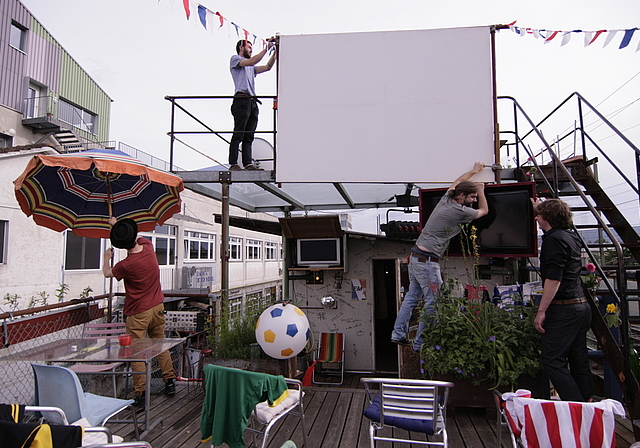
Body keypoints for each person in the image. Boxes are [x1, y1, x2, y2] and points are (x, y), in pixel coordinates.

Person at [392, 162, 489, 351]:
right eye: (472, 197)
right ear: (462, 196)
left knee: (412, 296)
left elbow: (458, 181)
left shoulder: (446, 199)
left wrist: (474, 171)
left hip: (415, 258)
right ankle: (420, 344)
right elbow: (485, 211)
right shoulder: (459, 211)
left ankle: (398, 334)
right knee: (433, 301)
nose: (474, 200)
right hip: (427, 262)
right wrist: (482, 190)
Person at [102, 218, 175, 406]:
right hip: (158, 307)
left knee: (136, 352)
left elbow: (108, 273)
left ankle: (141, 392)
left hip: (138, 312)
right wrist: (117, 225)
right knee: (159, 344)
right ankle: (169, 381)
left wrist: (105, 258)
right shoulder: (149, 247)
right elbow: (138, 237)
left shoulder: (126, 264)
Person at [531, 198, 593, 401]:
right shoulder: (569, 236)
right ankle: (587, 410)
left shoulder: (553, 241)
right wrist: (541, 207)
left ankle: (576, 405)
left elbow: (554, 278)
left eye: (539, 215)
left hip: (564, 309)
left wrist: (541, 311)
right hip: (580, 306)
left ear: (547, 217)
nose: (536, 218)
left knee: (552, 360)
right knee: (579, 360)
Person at [228, 38, 277, 171]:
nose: (251, 50)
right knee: (239, 132)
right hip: (241, 100)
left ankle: (248, 163)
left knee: (249, 135)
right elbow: (252, 60)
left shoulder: (250, 68)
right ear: (241, 47)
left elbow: (267, 67)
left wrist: (275, 51)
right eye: (249, 47)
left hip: (252, 102)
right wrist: (267, 47)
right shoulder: (236, 59)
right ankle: (233, 163)